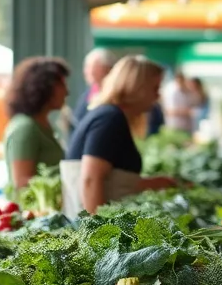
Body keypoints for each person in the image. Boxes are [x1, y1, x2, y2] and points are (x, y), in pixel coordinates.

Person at [62, 56, 175, 215]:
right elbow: (90, 180)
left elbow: (112, 180)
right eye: (155, 88)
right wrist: (99, 232)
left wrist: (153, 183)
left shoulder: (111, 116)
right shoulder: (109, 118)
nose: (158, 97)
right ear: (137, 88)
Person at [4, 57, 70, 191]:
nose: (67, 92)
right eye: (62, 84)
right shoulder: (25, 128)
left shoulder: (42, 124)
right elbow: (22, 182)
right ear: (45, 87)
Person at [72, 49, 116, 130]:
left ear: (108, 69)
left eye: (92, 67)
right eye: (86, 67)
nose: (88, 72)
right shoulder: (87, 94)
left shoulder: (115, 95)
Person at [163, 70, 195, 134]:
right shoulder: (170, 91)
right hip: (174, 127)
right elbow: (168, 111)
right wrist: (185, 112)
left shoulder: (187, 91)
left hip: (186, 127)